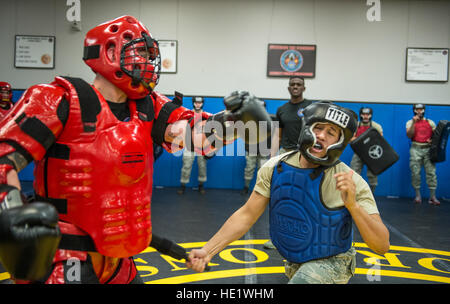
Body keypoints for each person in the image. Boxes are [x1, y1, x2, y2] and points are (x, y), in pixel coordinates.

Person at [0, 15, 272, 284]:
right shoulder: (58, 98)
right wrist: (12, 211)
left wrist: (237, 121)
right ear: (109, 52)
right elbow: (4, 158)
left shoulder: (147, 105)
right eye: (139, 52)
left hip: (121, 258)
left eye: (148, 54)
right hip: (67, 255)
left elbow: (197, 138)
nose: (147, 61)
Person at [187, 101, 390, 284]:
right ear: (307, 128)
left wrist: (353, 205)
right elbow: (246, 215)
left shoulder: (349, 180)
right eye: (318, 127)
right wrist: (207, 251)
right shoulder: (276, 167)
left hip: (333, 262)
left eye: (331, 132)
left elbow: (381, 245)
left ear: (339, 141)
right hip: (294, 262)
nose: (321, 135)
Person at [406, 103, 440, 205]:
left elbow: (436, 136)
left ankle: (432, 197)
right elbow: (409, 135)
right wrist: (414, 123)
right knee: (415, 172)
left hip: (428, 149)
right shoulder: (409, 122)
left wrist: (432, 140)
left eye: (421, 109)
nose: (419, 111)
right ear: (414, 110)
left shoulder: (430, 122)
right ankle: (417, 196)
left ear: (424, 110)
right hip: (416, 148)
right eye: (417, 109)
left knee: (431, 173)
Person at [178, 97, 208, 195]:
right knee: (186, 165)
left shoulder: (206, 116)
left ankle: (201, 185)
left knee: (202, 166)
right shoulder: (188, 115)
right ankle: (183, 186)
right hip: (189, 144)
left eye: (200, 103)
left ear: (202, 103)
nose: (198, 104)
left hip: (201, 145)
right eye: (196, 102)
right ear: (193, 103)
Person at [276, 76, 313, 154]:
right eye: (292, 84)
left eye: (299, 84)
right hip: (285, 152)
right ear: (289, 88)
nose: (295, 87)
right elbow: (277, 137)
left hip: (304, 152)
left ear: (304, 88)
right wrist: (272, 158)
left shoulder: (311, 107)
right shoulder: (281, 109)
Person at [350, 107, 383, 194]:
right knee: (353, 174)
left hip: (372, 154)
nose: (365, 116)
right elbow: (351, 139)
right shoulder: (355, 125)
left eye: (367, 114)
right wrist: (365, 139)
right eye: (363, 114)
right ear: (360, 115)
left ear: (370, 115)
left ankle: (371, 195)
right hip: (358, 153)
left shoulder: (376, 126)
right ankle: (355, 195)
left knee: (373, 175)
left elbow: (381, 140)